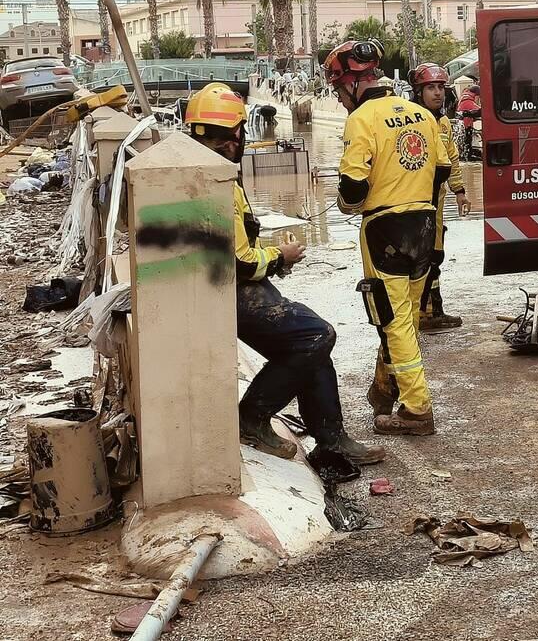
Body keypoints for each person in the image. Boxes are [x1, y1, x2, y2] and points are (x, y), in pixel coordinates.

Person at [183, 83, 385, 473]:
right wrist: (281, 256)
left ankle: (331, 438)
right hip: (225, 290)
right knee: (314, 336)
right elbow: (240, 263)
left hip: (217, 285)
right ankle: (252, 417)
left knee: (313, 337)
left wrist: (273, 258)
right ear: (237, 133)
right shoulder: (214, 180)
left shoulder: (206, 170)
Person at [324, 41, 450, 436]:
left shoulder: (361, 119)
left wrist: (347, 202)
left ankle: (417, 408)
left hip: (384, 230)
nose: (341, 98)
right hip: (424, 226)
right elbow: (442, 171)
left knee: (392, 321)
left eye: (339, 90)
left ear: (351, 84)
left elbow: (354, 186)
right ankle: (385, 389)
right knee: (407, 317)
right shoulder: (421, 115)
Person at [409, 63, 472, 332]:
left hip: (436, 203)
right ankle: (416, 313)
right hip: (413, 202)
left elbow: (453, 160)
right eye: (430, 88)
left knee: (435, 256)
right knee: (418, 258)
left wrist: (460, 192)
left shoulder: (444, 123)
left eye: (440, 88)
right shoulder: (410, 121)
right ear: (418, 92)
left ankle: (431, 310)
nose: (437, 93)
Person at [456, 83, 482, 162]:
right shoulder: (468, 101)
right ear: (476, 95)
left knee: (465, 142)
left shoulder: (464, 98)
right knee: (467, 141)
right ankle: (467, 156)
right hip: (466, 126)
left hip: (463, 126)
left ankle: (465, 155)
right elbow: (480, 111)